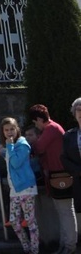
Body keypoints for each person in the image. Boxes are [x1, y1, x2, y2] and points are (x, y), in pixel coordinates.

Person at [29, 103, 78, 254]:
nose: (35, 125)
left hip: (60, 176)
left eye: (35, 122)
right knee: (63, 212)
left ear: (38, 119)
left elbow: (38, 148)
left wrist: (27, 143)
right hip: (57, 176)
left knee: (65, 212)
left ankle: (69, 246)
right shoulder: (53, 127)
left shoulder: (51, 129)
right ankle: (65, 245)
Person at [0, 117, 39, 254]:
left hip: (26, 187)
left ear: (17, 129)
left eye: (12, 129)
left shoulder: (22, 144)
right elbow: (11, 162)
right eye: (6, 130)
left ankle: (35, 249)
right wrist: (3, 152)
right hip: (15, 189)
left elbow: (15, 163)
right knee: (14, 221)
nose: (9, 132)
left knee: (30, 222)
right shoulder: (11, 145)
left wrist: (8, 147)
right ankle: (26, 247)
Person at [60, 97, 81, 254]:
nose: (80, 112)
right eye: (78, 110)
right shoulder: (69, 135)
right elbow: (64, 157)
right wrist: (76, 170)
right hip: (78, 179)